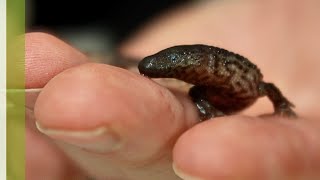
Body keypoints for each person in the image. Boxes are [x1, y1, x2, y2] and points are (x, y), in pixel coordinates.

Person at [26, 0, 320, 179]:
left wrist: (281, 105)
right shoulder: (201, 85)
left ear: (209, 65)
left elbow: (265, 87)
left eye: (178, 62)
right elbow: (196, 91)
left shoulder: (243, 78)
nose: (161, 66)